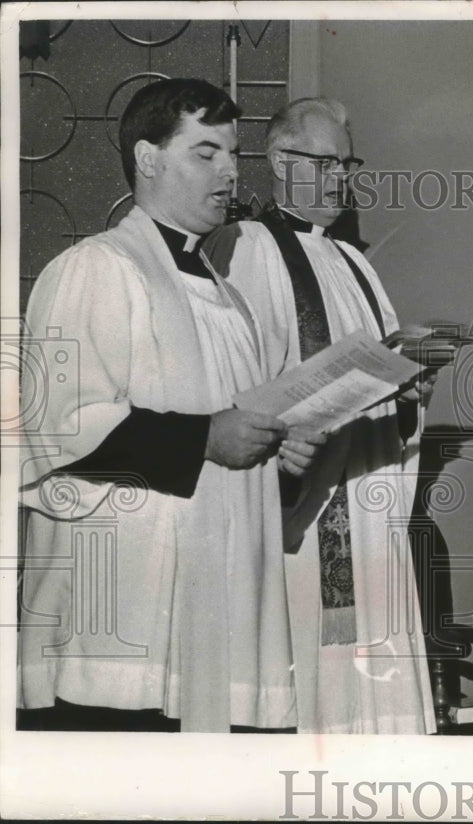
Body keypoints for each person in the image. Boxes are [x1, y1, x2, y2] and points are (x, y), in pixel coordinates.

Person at [18, 78, 313, 732]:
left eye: (235, 155)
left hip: (222, 600)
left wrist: (279, 444)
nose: (231, 172)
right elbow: (59, 429)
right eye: (206, 154)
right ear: (147, 158)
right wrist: (207, 439)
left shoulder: (226, 296)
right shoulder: (96, 268)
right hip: (124, 608)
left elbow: (235, 421)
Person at [206, 97, 437, 734]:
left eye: (347, 162)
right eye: (326, 162)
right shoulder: (247, 247)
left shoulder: (355, 261)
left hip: (366, 502)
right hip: (305, 509)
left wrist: (408, 394)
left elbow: (382, 378)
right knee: (314, 678)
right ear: (281, 161)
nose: (342, 177)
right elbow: (236, 385)